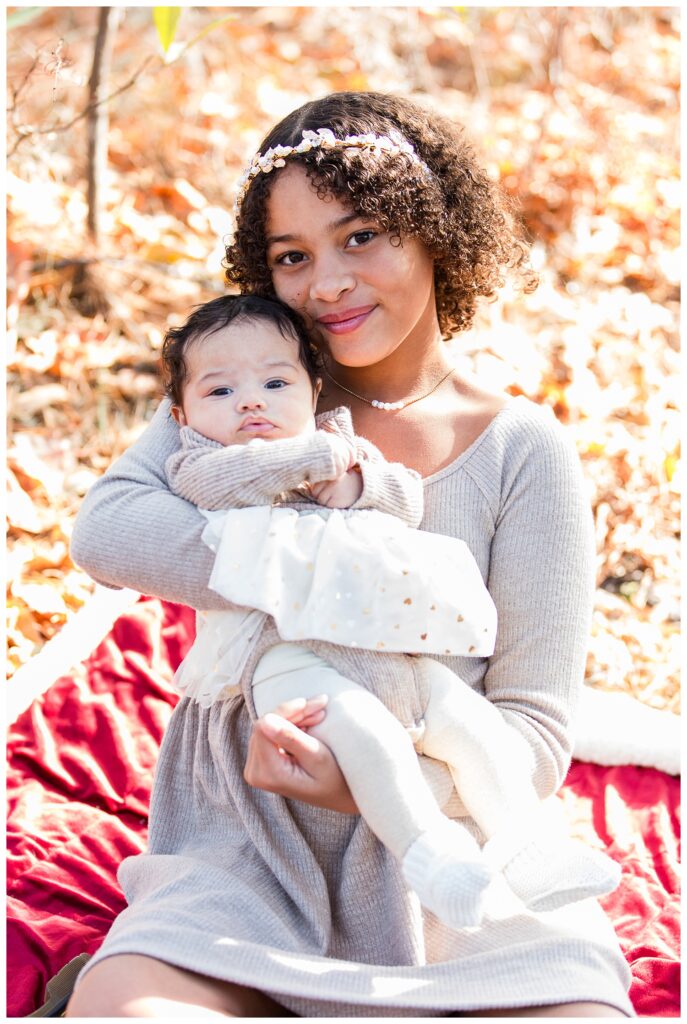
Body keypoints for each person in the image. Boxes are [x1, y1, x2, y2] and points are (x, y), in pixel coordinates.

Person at [67, 91, 633, 1017]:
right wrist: (349, 573)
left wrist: (372, 782)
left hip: (457, 867)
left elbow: (529, 734)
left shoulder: (521, 450)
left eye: (360, 236)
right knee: (126, 1008)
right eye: (293, 256)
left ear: (434, 232)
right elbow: (111, 533)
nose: (325, 282)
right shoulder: (249, 391)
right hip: (250, 851)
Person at [160, 290, 619, 932]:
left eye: (274, 382)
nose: (251, 402)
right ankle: (430, 852)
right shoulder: (204, 460)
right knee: (363, 736)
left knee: (469, 725)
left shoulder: (339, 442)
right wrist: (313, 460)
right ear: (181, 415)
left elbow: (404, 500)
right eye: (220, 393)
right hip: (291, 658)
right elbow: (216, 489)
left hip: (392, 652)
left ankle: (528, 843)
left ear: (312, 389)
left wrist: (356, 484)